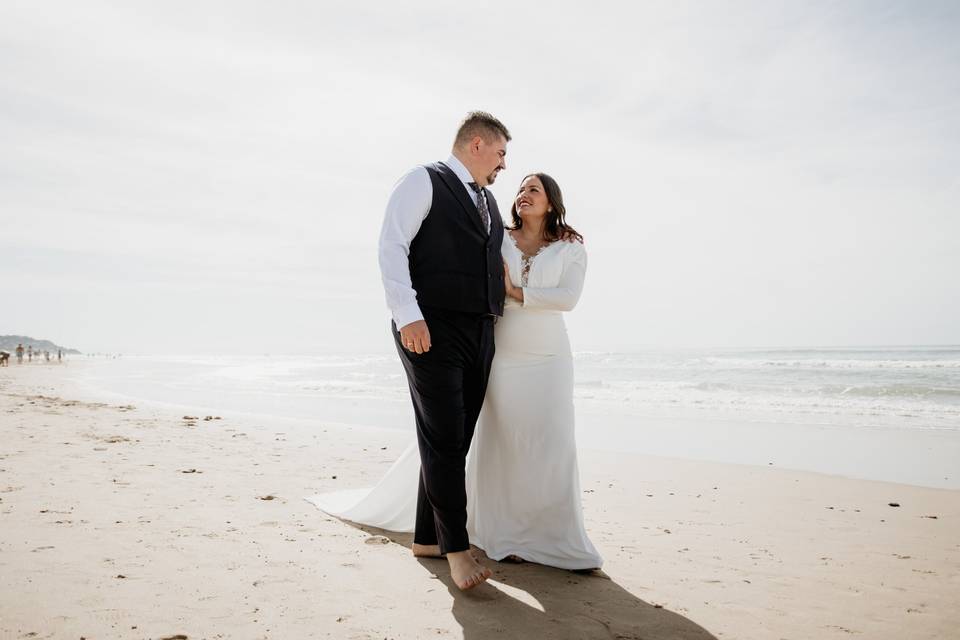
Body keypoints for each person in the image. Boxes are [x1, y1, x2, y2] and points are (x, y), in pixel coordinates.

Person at [308, 171, 602, 573]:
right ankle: (508, 536)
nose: (522, 195)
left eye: (533, 190)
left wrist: (514, 291)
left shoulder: (570, 247)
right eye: (519, 189)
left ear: (551, 201)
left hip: (549, 357)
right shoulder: (499, 236)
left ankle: (554, 536)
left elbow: (567, 298)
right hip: (501, 354)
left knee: (551, 442)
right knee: (501, 446)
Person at [340, 111, 509, 591]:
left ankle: (429, 537)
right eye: (499, 154)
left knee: (455, 438)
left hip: (480, 331)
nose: (502, 165)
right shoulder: (423, 181)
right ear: (476, 144)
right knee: (442, 435)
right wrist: (406, 314)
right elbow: (391, 246)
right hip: (429, 327)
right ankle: (456, 549)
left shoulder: (489, 201)